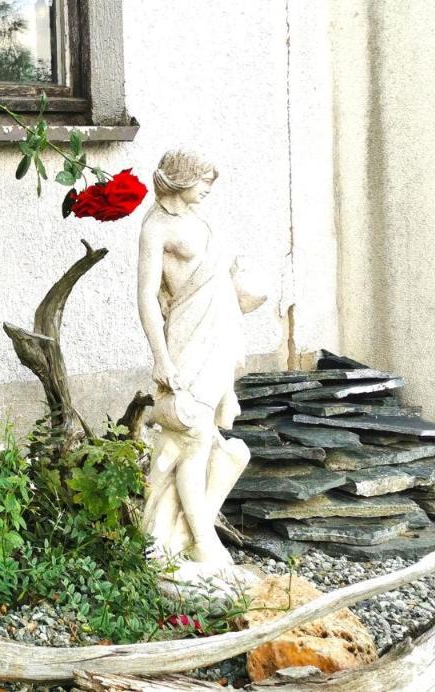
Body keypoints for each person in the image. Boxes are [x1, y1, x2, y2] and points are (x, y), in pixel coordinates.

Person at [137, 149, 265, 571]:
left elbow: (226, 273)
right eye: (203, 179)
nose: (209, 187)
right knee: (190, 437)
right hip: (187, 339)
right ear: (181, 178)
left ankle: (179, 538)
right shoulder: (156, 228)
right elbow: (146, 297)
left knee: (207, 440)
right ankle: (200, 542)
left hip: (219, 334)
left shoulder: (204, 220)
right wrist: (160, 358)